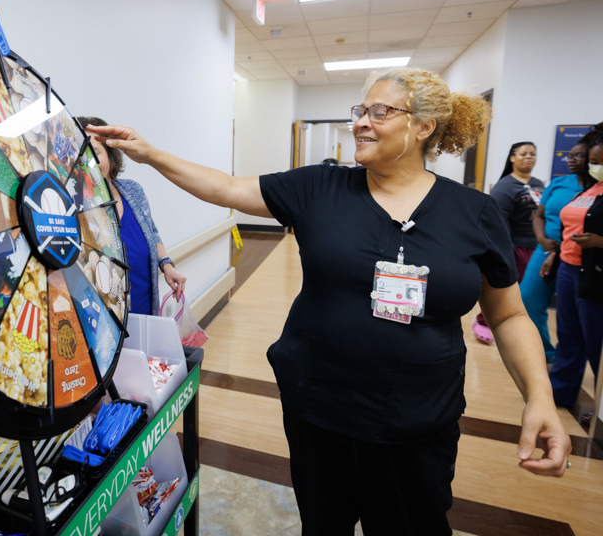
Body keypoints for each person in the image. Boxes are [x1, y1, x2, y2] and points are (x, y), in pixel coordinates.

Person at [87, 68, 571, 535]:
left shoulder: (474, 212)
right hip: (319, 411)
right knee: (323, 524)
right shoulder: (321, 188)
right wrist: (150, 154)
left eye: (380, 111)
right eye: (360, 109)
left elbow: (507, 315)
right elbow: (227, 187)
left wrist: (539, 397)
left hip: (417, 421)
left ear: (423, 126)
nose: (360, 121)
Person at [76, 117, 186, 316]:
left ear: (110, 155)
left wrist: (166, 264)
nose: (89, 161)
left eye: (96, 152)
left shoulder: (133, 191)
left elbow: (152, 232)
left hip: (145, 310)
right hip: (104, 323)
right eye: (81, 154)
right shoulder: (73, 209)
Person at [540, 127, 603, 424]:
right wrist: (554, 254)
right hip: (567, 268)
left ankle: (601, 408)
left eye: (599, 161)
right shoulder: (588, 190)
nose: (594, 166)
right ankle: (561, 392)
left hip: (594, 275)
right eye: (593, 160)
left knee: (596, 343)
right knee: (568, 336)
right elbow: (569, 228)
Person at [520, 139, 590, 362]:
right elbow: (540, 215)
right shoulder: (560, 183)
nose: (570, 159)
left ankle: (570, 361)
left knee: (573, 316)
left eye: (578, 156)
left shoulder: (594, 188)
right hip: (545, 248)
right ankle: (545, 353)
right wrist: (541, 238)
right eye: (570, 155)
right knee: (528, 298)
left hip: (577, 254)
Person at [473, 142, 544, 344]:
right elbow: (498, 222)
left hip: (537, 246)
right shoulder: (505, 186)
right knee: (506, 289)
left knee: (528, 292)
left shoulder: (539, 183)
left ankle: (522, 326)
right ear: (512, 158)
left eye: (533, 153)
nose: (529, 157)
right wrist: (505, 250)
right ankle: (483, 321)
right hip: (516, 246)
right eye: (523, 153)